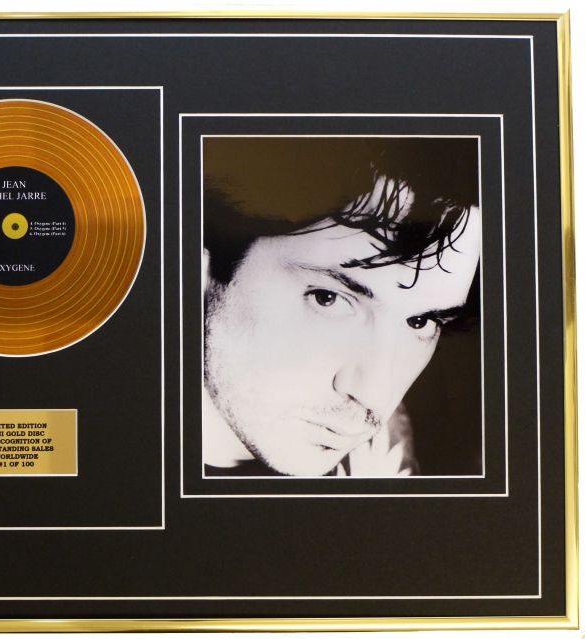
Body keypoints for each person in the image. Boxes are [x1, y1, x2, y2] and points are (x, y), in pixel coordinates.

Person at [202, 136, 481, 477]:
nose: (374, 394)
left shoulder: (392, 452)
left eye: (421, 321)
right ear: (202, 269)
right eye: (327, 298)